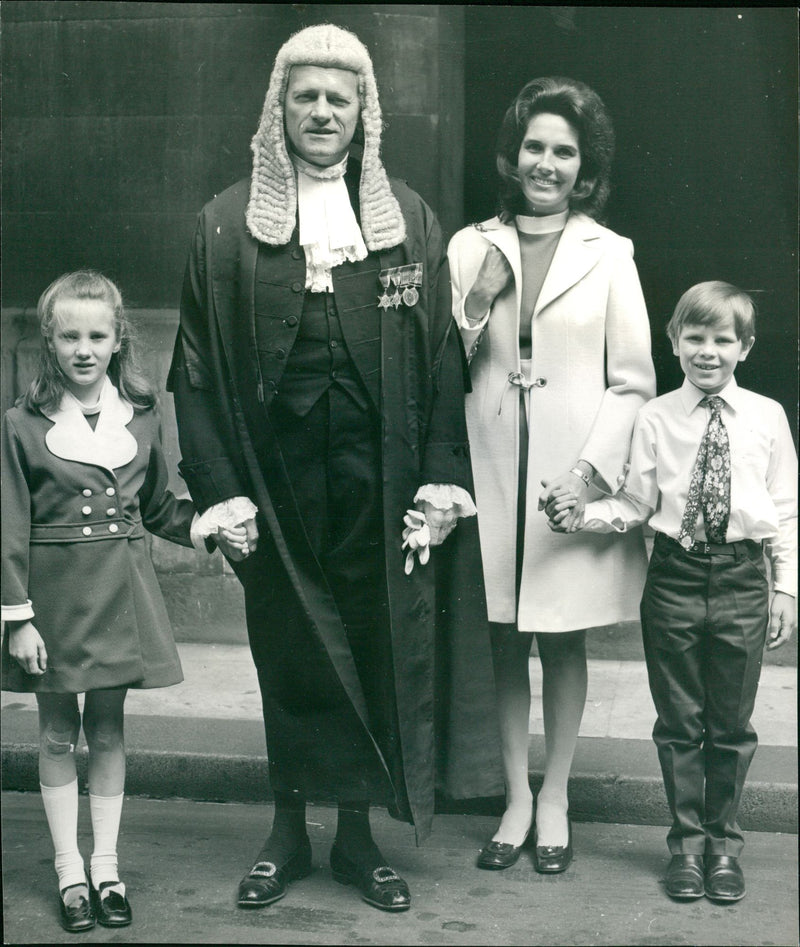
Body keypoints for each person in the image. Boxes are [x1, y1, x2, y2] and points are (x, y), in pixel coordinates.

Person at [168, 23, 501, 914]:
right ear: (279, 107)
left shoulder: (408, 224)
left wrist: (437, 476)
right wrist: (220, 490)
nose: (322, 111)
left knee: (369, 635)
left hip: (376, 472)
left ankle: (356, 836)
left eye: (338, 97)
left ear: (365, 114)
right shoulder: (225, 224)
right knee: (285, 640)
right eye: (306, 95)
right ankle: (286, 828)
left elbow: (438, 360)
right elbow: (194, 369)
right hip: (274, 481)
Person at [448, 76, 656, 873]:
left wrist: (589, 473)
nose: (546, 162)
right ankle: (514, 796)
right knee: (504, 637)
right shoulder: (471, 246)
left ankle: (558, 792)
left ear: (584, 166)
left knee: (562, 640)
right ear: (513, 154)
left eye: (563, 151)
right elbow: (443, 367)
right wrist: (474, 304)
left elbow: (633, 379)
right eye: (534, 146)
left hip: (569, 472)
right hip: (493, 463)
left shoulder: (610, 254)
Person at [547, 281, 797, 902]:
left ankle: (724, 846)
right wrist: (583, 515)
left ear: (746, 346)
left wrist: (786, 588)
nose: (707, 351)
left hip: (742, 576)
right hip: (677, 578)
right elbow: (636, 502)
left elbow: (786, 509)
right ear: (674, 342)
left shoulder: (767, 416)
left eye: (722, 339)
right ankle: (686, 846)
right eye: (695, 337)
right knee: (680, 720)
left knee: (732, 722)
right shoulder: (655, 416)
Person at [0, 271, 225, 933]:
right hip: (54, 600)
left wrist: (202, 525)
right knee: (53, 731)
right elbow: (8, 523)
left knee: (107, 730)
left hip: (121, 594)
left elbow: (155, 504)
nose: (83, 348)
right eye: (69, 335)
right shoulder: (22, 422)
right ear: (49, 340)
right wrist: (18, 617)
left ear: (118, 338)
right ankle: (69, 869)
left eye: (97, 334)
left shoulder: (143, 413)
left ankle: (108, 866)